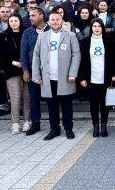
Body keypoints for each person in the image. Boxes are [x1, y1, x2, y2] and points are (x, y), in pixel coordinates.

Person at [32, 11, 81, 140]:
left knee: (66, 106)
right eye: (52, 20)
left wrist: (73, 73)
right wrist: (36, 74)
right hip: (48, 78)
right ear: (48, 21)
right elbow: (36, 55)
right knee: (52, 106)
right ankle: (54, 129)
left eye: (57, 19)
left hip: (65, 78)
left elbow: (76, 54)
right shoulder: (43, 36)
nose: (55, 22)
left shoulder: (70, 35)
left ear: (62, 21)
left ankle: (68, 128)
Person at [79, 18, 112, 137]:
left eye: (99, 26)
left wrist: (114, 74)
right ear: (91, 28)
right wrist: (82, 78)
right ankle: (95, 126)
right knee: (93, 104)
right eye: (94, 26)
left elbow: (113, 60)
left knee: (104, 103)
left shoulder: (109, 41)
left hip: (105, 78)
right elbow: (81, 61)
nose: (97, 28)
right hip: (91, 78)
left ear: (102, 28)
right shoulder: (85, 42)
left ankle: (104, 125)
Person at [0, 13, 30, 135]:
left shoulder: (26, 34)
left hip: (26, 69)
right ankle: (15, 123)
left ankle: (27, 121)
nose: (13, 23)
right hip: (11, 70)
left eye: (15, 21)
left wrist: (24, 63)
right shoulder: (3, 36)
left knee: (27, 98)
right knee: (15, 98)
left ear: (20, 21)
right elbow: (0, 55)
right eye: (11, 21)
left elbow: (31, 50)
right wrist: (13, 62)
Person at [20, 7, 49, 136]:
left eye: (33, 15)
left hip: (49, 71)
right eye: (29, 15)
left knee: (51, 99)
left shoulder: (51, 30)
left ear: (41, 16)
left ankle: (54, 124)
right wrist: (25, 70)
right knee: (34, 99)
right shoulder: (27, 32)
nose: (30, 18)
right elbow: (23, 53)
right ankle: (35, 123)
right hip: (33, 71)